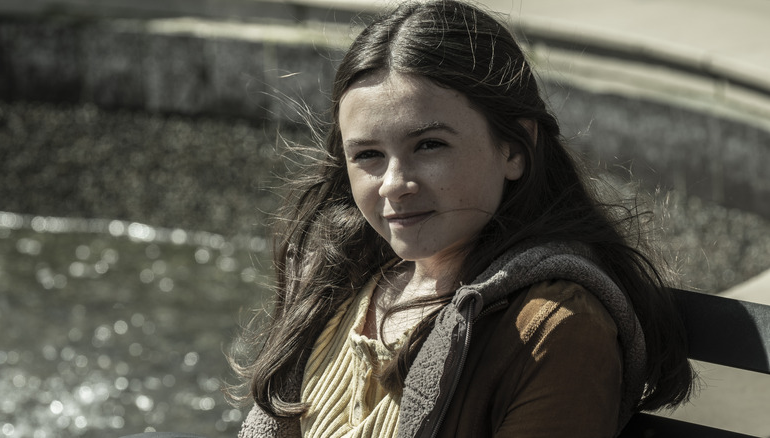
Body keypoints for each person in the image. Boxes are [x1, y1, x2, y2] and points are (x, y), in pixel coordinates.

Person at [228, 1, 695, 437]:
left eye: (429, 145)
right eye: (368, 154)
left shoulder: (554, 328)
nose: (394, 182)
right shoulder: (341, 281)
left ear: (515, 148)